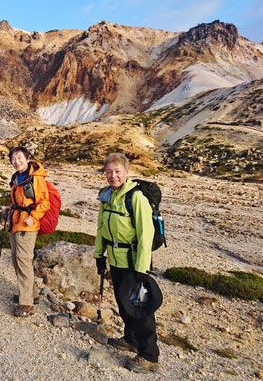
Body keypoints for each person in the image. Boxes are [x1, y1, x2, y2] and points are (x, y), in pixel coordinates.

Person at [94, 152, 159, 373]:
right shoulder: (107, 196)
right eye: (109, 172)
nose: (113, 176)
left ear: (127, 172)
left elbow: (145, 234)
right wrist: (98, 254)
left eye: (117, 171)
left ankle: (150, 355)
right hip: (115, 259)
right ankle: (131, 339)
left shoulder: (136, 197)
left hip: (133, 262)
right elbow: (101, 228)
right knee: (124, 304)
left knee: (141, 308)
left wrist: (142, 268)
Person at [5, 147, 50, 317]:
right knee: (17, 260)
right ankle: (33, 294)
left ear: (27, 158)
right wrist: (12, 207)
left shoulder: (35, 177)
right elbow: (20, 198)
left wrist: (34, 216)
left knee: (23, 260)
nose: (16, 161)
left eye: (19, 157)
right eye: (13, 159)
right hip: (16, 221)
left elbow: (44, 202)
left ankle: (26, 303)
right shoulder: (17, 177)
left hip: (27, 224)